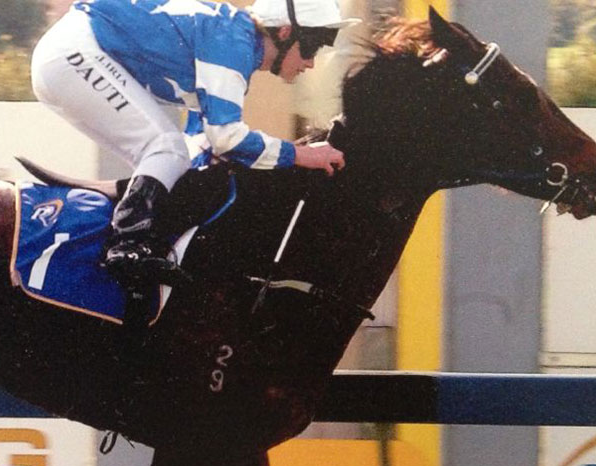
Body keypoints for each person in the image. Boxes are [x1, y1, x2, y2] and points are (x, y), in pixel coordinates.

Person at [30, 0, 359, 290]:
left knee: (170, 156)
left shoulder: (234, 39)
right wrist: (301, 155)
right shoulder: (233, 44)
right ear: (285, 32)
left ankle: (127, 236)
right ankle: (127, 245)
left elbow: (203, 140)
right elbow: (227, 137)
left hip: (68, 55)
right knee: (165, 147)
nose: (311, 63)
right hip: (73, 54)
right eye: (313, 46)